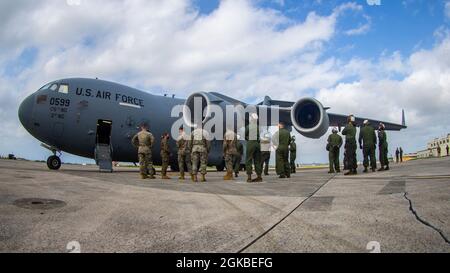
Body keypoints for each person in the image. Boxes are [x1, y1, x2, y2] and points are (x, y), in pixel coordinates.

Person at [245, 113, 263, 182]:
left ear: (251, 119)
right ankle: (259, 176)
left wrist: (248, 139)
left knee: (248, 160)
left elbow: (245, 135)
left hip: (251, 143)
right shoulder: (258, 127)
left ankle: (249, 177)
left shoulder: (248, 126)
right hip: (257, 144)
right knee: (257, 160)